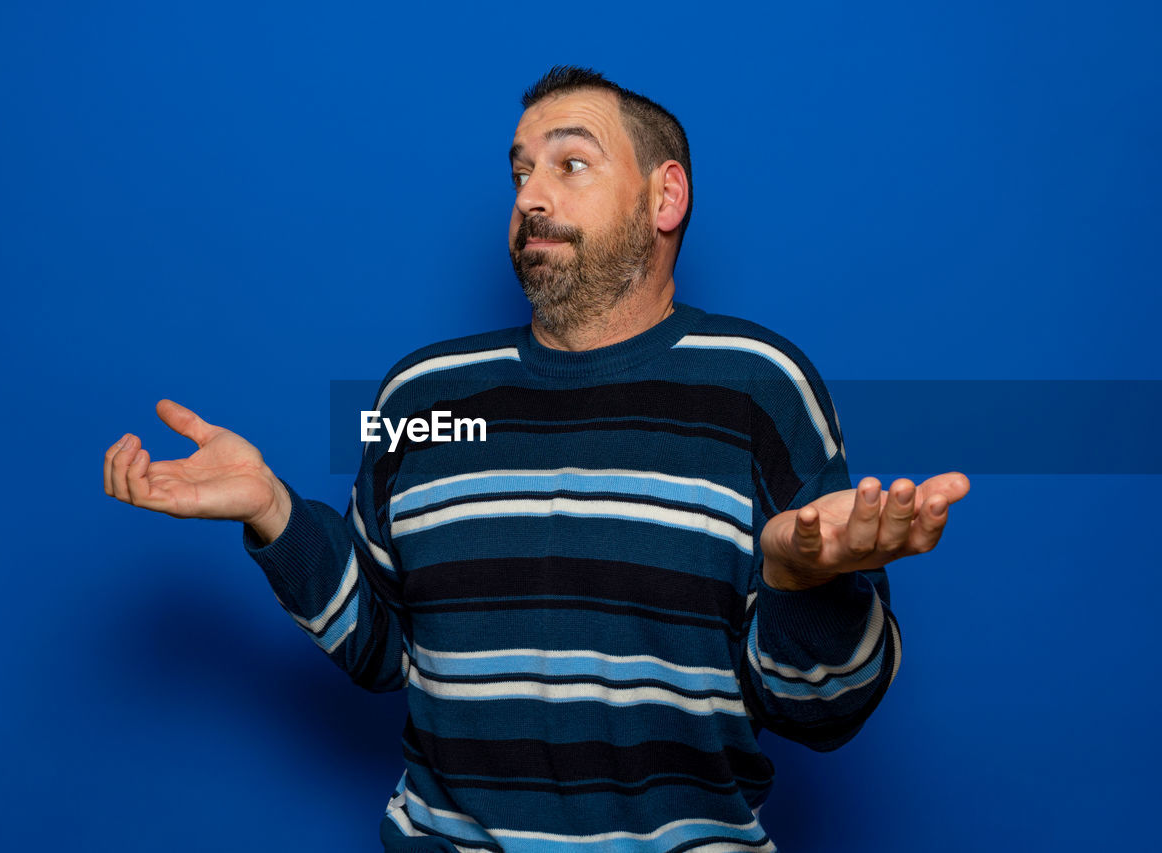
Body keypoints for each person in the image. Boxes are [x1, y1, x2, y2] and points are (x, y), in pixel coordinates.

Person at [104, 66, 969, 852]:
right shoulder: (424, 398)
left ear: (666, 197)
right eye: (520, 171)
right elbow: (385, 648)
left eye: (571, 164)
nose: (530, 197)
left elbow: (824, 709)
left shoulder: (760, 385)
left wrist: (800, 580)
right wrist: (273, 511)